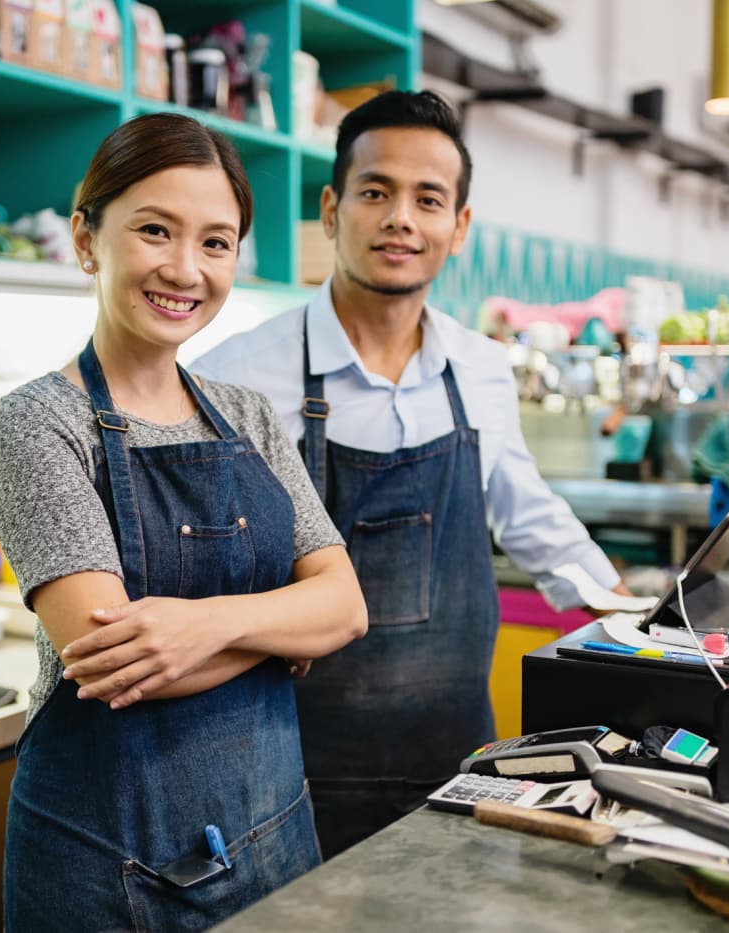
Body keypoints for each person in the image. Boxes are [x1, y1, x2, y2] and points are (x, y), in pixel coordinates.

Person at [192, 90, 629, 858]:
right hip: (286, 768)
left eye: (428, 199)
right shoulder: (238, 376)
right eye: (375, 192)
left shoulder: (483, 369)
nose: (401, 218)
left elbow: (527, 513)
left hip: (461, 761)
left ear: (458, 227)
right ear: (331, 209)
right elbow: (200, 562)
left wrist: (627, 616)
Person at [0, 112, 368, 932]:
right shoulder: (37, 423)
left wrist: (206, 627)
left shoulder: (249, 415)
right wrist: (282, 630)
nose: (186, 269)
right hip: (103, 872)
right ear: (87, 239)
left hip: (273, 846)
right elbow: (114, 662)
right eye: (155, 230)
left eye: (217, 242)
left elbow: (346, 606)